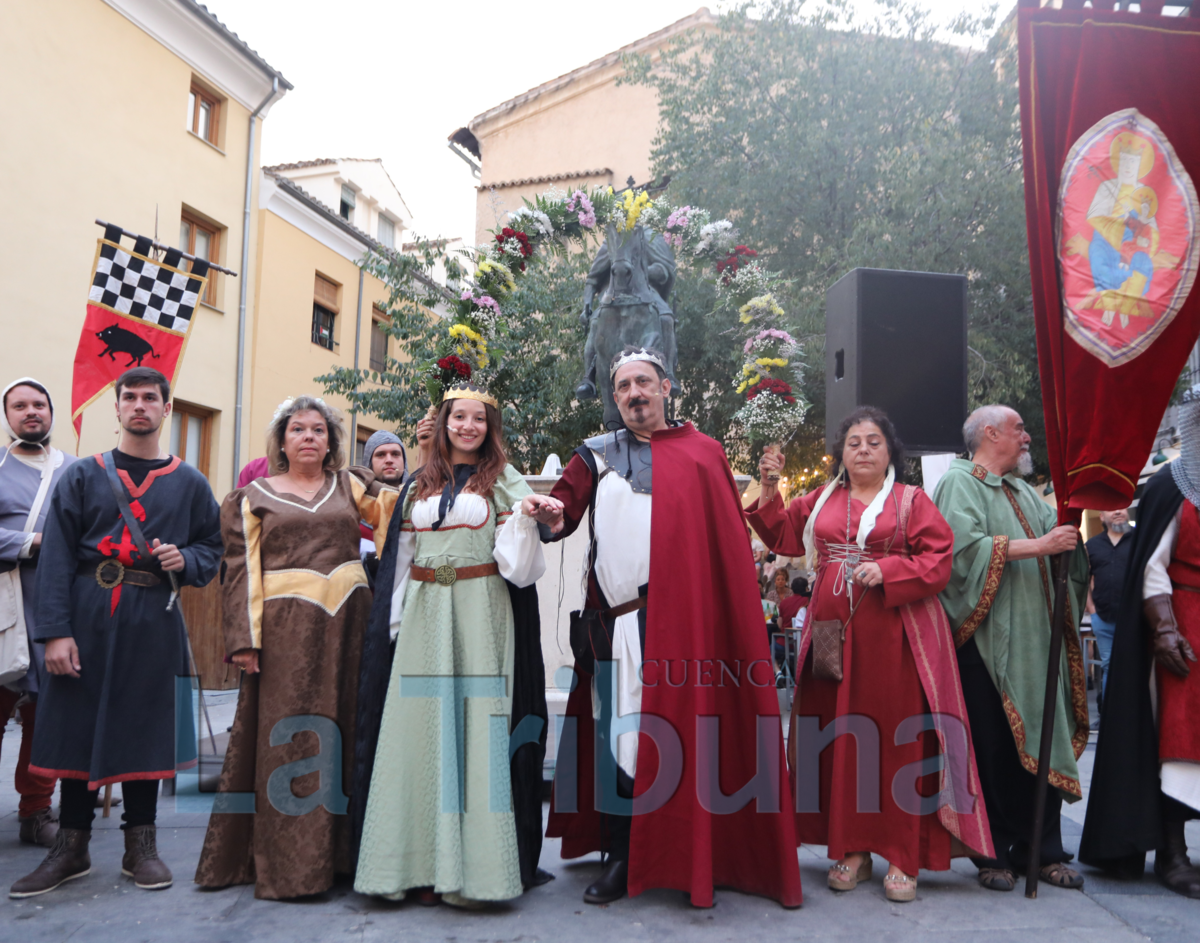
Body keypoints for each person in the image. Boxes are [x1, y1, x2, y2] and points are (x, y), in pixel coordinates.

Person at [532, 346, 802, 909]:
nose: (634, 394)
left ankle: (689, 851)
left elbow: (725, 544)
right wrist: (551, 518)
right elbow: (561, 511)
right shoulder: (594, 455)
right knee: (615, 741)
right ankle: (623, 853)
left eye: (643, 383)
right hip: (613, 624)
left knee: (680, 742)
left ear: (666, 386)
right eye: (623, 386)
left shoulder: (704, 454)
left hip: (681, 625)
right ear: (614, 397)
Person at [750, 406, 992, 902]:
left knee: (896, 741)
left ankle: (903, 853)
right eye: (854, 441)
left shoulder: (911, 501)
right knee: (841, 739)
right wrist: (770, 488)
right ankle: (853, 848)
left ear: (890, 452)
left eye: (873, 442)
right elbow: (782, 535)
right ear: (840, 452)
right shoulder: (820, 501)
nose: (862, 449)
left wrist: (890, 572)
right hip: (831, 634)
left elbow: (939, 560)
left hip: (897, 639)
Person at [10, 367, 222, 898]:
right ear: (118, 407)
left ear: (166, 409)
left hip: (153, 619)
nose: (140, 406)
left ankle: (140, 846)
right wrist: (54, 632)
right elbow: (56, 557)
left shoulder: (191, 483)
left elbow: (213, 550)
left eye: (151, 398)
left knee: (144, 725)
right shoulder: (82, 475)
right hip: (84, 618)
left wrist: (186, 559)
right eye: (130, 397)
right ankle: (72, 846)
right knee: (76, 725)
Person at [352, 381, 549, 907]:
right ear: (443, 423)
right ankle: (408, 866)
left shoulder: (503, 479)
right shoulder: (419, 482)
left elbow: (520, 562)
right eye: (458, 417)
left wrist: (530, 516)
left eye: (478, 419)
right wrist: (390, 627)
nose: (468, 426)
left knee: (474, 733)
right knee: (416, 733)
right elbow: (401, 557)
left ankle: (474, 876)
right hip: (422, 612)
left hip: (479, 612)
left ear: (490, 428)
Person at [194, 396, 397, 900]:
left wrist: (428, 444)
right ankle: (292, 868)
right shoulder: (252, 496)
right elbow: (239, 572)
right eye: (298, 430)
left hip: (352, 625)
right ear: (282, 441)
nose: (309, 437)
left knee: (352, 731)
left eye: (319, 430)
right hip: (284, 633)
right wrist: (244, 641)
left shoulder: (352, 484)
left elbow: (405, 512)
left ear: (331, 442)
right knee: (290, 738)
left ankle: (349, 859)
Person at [931, 404, 1089, 893]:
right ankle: (991, 851)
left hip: (1037, 641)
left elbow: (1061, 547)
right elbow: (960, 553)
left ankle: (1042, 851)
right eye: (1018, 429)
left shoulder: (1024, 489)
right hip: (984, 643)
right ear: (990, 432)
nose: (1026, 437)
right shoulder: (959, 482)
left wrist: (1068, 542)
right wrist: (1042, 547)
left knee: (1042, 743)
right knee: (993, 750)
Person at [1079, 400, 1200, 898]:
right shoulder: (1176, 484)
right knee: (1179, 738)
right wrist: (1165, 628)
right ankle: (1173, 852)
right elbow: (1152, 563)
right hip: (1186, 624)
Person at [0, 378, 77, 848]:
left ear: (51, 412)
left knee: (45, 718)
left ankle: (35, 812)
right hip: (4, 608)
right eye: (20, 405)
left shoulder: (77, 471)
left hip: (54, 611)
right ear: (7, 416)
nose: (31, 412)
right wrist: (33, 543)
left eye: (39, 404)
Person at [1085, 507, 1133, 700]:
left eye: (1121, 506)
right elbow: (1084, 579)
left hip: (1135, 619)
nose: (1118, 511)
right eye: (1111, 508)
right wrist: (1092, 611)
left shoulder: (1140, 541)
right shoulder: (1092, 545)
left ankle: (1134, 721)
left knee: (1136, 667)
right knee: (1109, 667)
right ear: (1102, 517)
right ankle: (1109, 719)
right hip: (1103, 619)